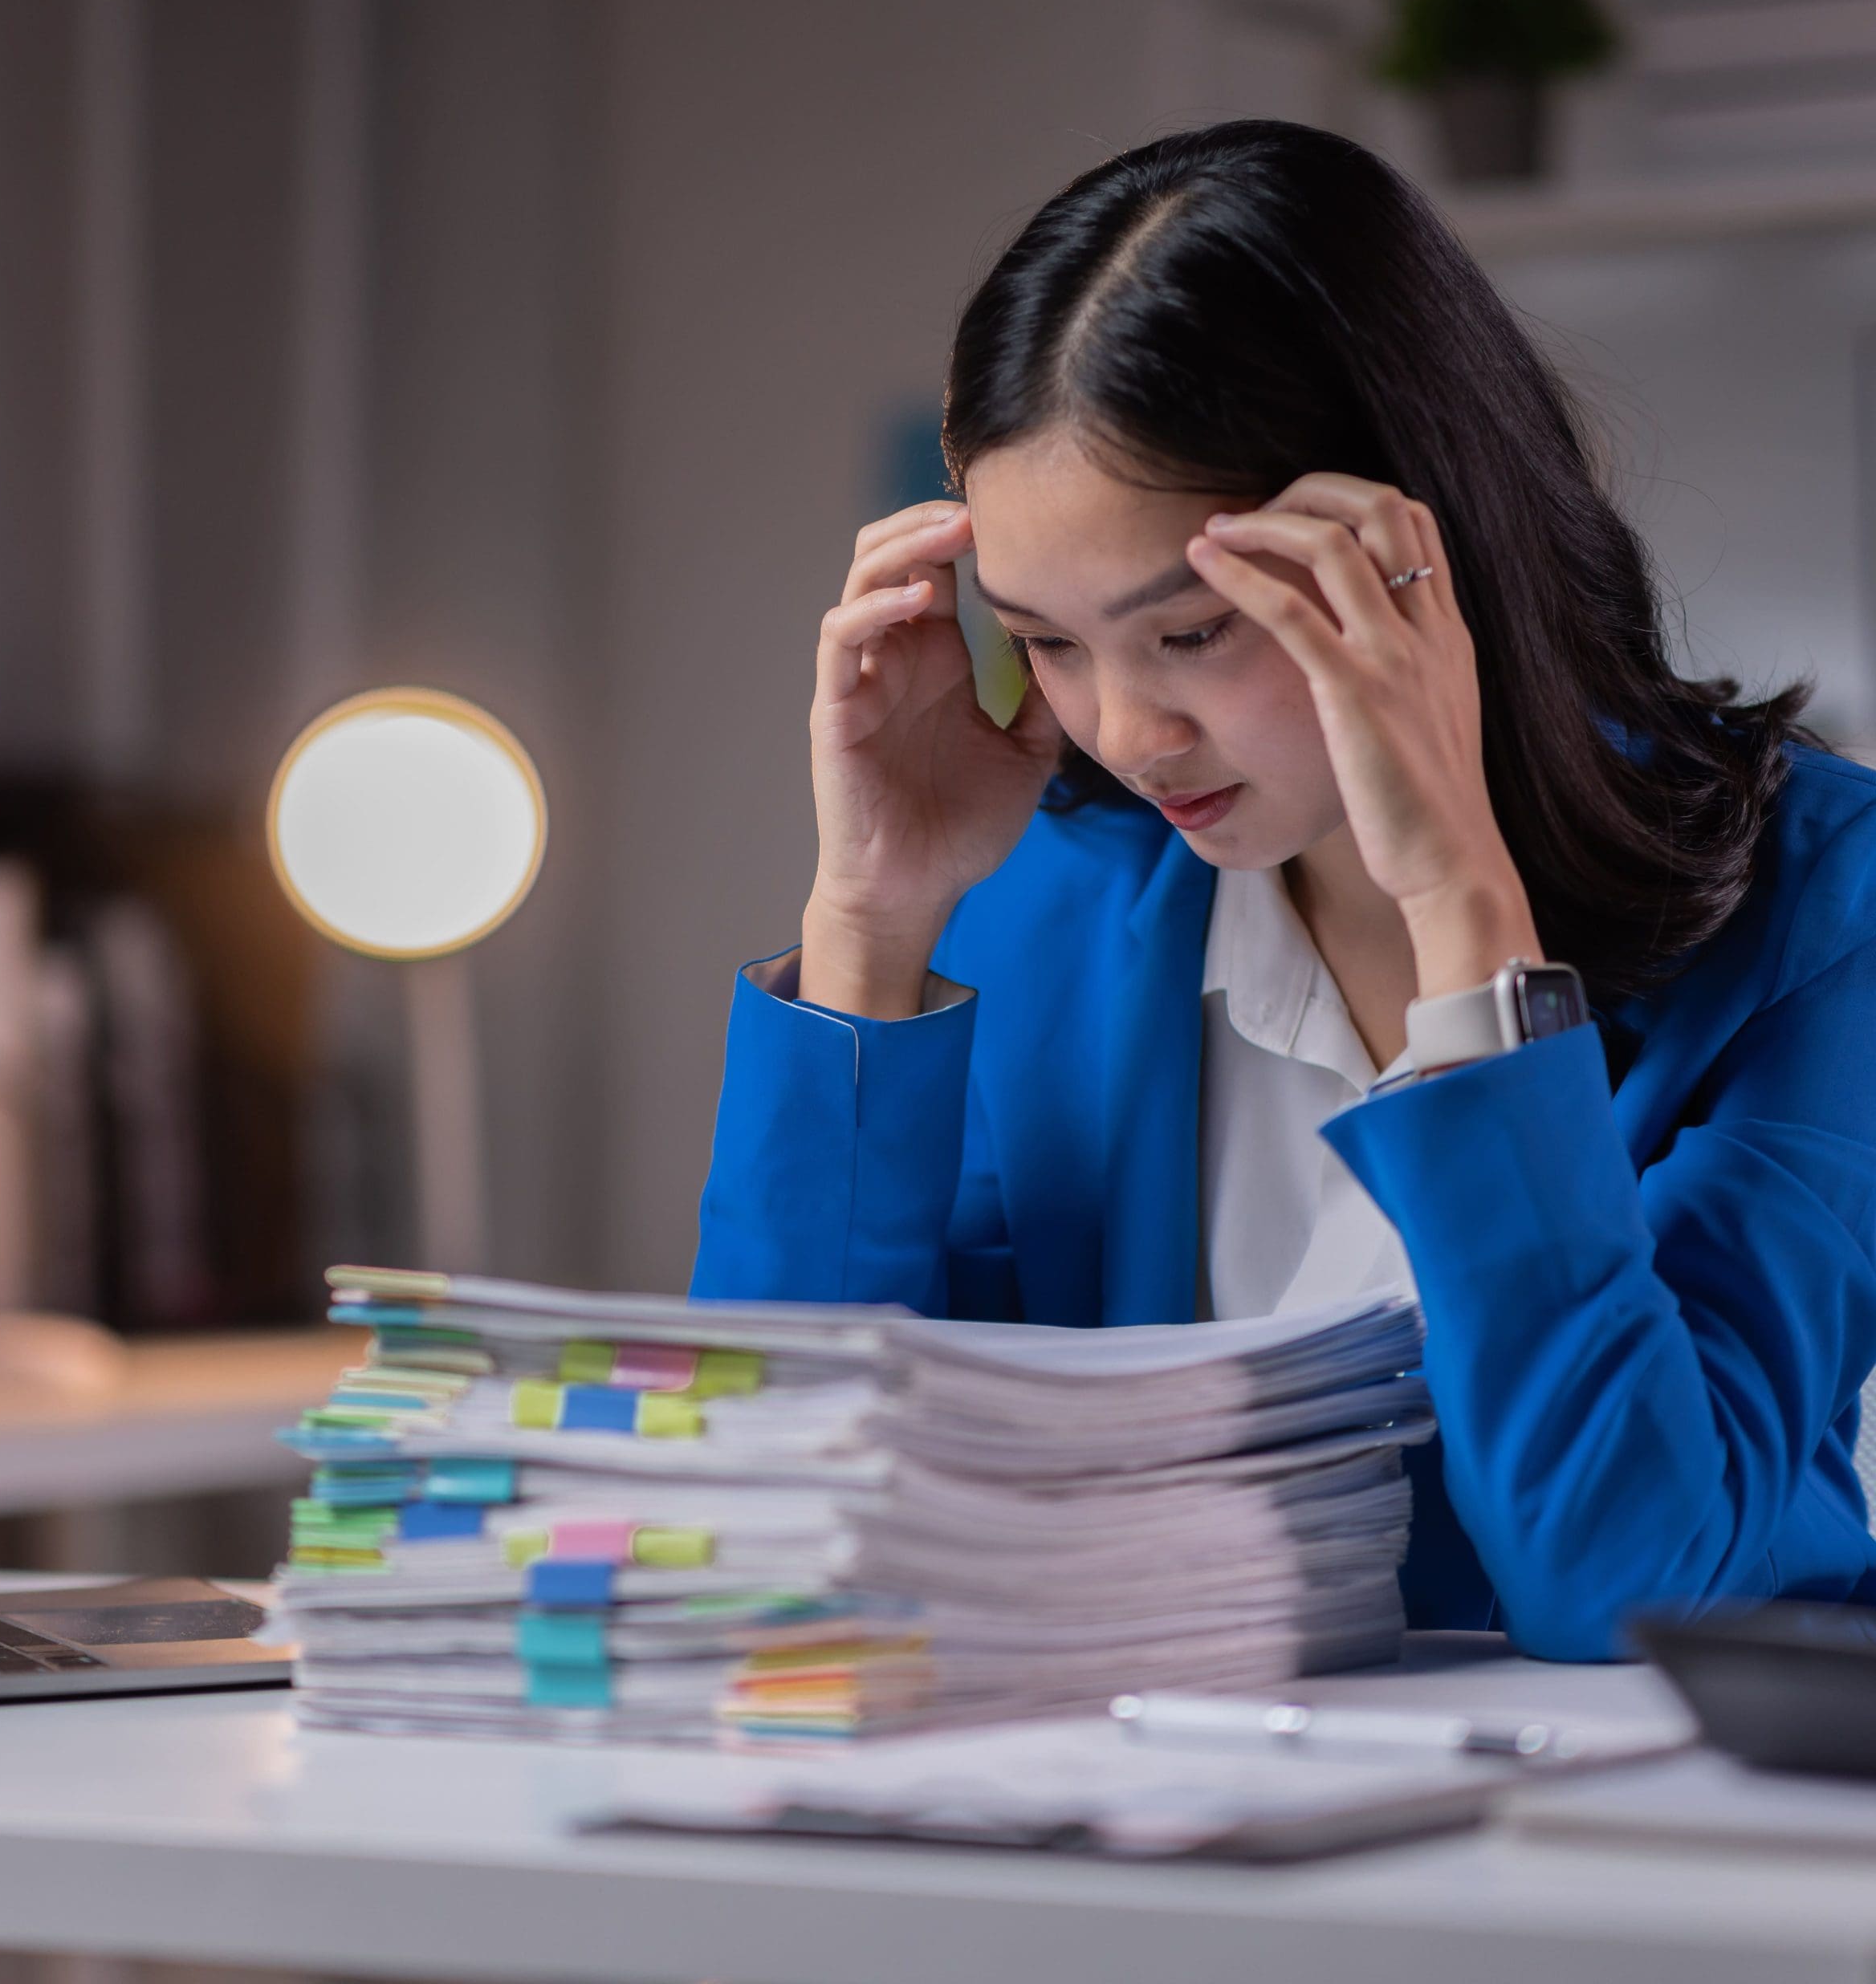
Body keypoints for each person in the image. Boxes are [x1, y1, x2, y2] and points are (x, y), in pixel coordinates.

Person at [690, 119, 1876, 1661]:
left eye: (1191, 633)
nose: (1126, 733)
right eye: (1049, 640)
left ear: (1409, 549)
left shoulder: (1823, 903)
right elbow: (766, 1534)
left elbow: (1632, 1578)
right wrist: (869, 918)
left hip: (1643, 1871)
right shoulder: (1053, 903)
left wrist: (1462, 903)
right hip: (1146, 1853)